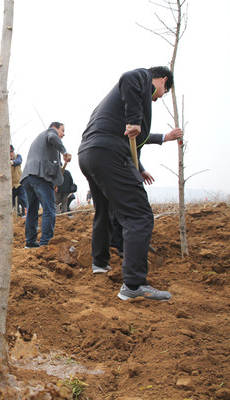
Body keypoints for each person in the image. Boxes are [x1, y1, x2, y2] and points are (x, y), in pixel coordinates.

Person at [77, 66, 182, 301]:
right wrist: (135, 120)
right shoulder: (142, 77)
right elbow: (129, 77)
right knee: (139, 215)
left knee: (105, 210)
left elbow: (131, 137)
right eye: (164, 92)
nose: (158, 97)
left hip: (90, 153)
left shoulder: (113, 103)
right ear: (163, 80)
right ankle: (134, 284)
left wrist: (140, 168)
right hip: (109, 153)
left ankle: (99, 263)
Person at [109, 128, 184, 256]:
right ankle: (118, 246)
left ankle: (134, 243)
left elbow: (131, 150)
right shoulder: (121, 124)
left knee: (134, 208)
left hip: (125, 170)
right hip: (116, 171)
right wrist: (164, 137)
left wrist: (141, 170)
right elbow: (135, 136)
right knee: (127, 210)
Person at [21, 122, 72, 247]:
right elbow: (53, 136)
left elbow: (54, 165)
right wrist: (65, 152)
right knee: (49, 209)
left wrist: (54, 183)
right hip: (40, 176)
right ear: (54, 128)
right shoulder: (50, 133)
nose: (63, 134)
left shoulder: (42, 142)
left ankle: (30, 242)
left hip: (28, 177)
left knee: (32, 211)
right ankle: (46, 243)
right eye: (62, 130)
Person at [10, 145, 26, 217]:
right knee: (12, 202)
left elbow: (19, 161)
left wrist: (12, 162)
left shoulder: (18, 157)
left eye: (12, 152)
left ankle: (25, 214)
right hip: (11, 186)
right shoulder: (4, 161)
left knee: (23, 200)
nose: (11, 154)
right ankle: (16, 214)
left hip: (20, 184)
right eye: (9, 152)